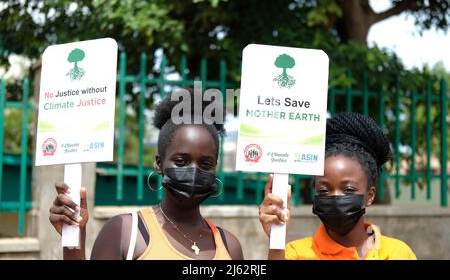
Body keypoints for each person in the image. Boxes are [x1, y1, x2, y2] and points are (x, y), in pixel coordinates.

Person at [49, 88, 244, 260]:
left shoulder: (230, 247)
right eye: (181, 161)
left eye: (205, 163)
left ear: (215, 167)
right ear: (159, 164)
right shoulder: (125, 232)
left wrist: (275, 243)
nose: (193, 171)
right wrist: (73, 240)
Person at [259, 112, 417, 260]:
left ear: (370, 195)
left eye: (348, 189)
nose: (335, 197)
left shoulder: (398, 253)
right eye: (323, 190)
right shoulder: (297, 253)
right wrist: (276, 241)